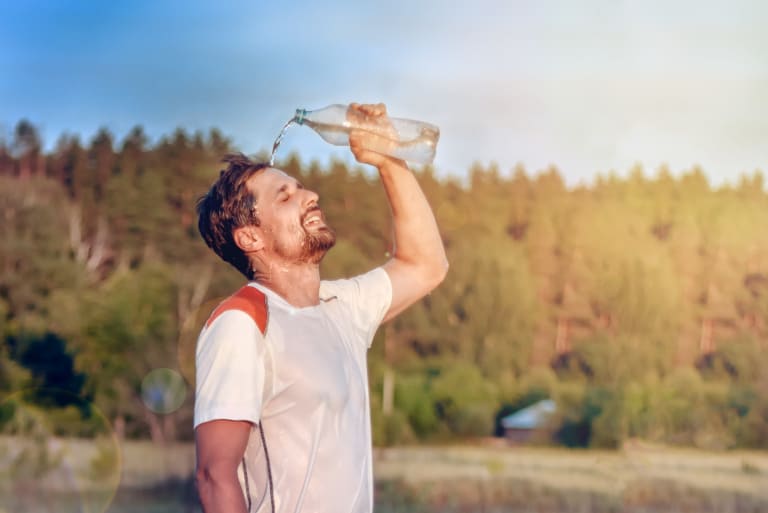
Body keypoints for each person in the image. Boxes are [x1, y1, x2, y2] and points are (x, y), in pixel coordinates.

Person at [193, 103, 448, 513]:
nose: (310, 195)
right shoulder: (244, 321)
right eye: (285, 195)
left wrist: (388, 159)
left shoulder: (341, 307)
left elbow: (426, 265)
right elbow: (214, 475)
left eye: (302, 188)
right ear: (250, 238)